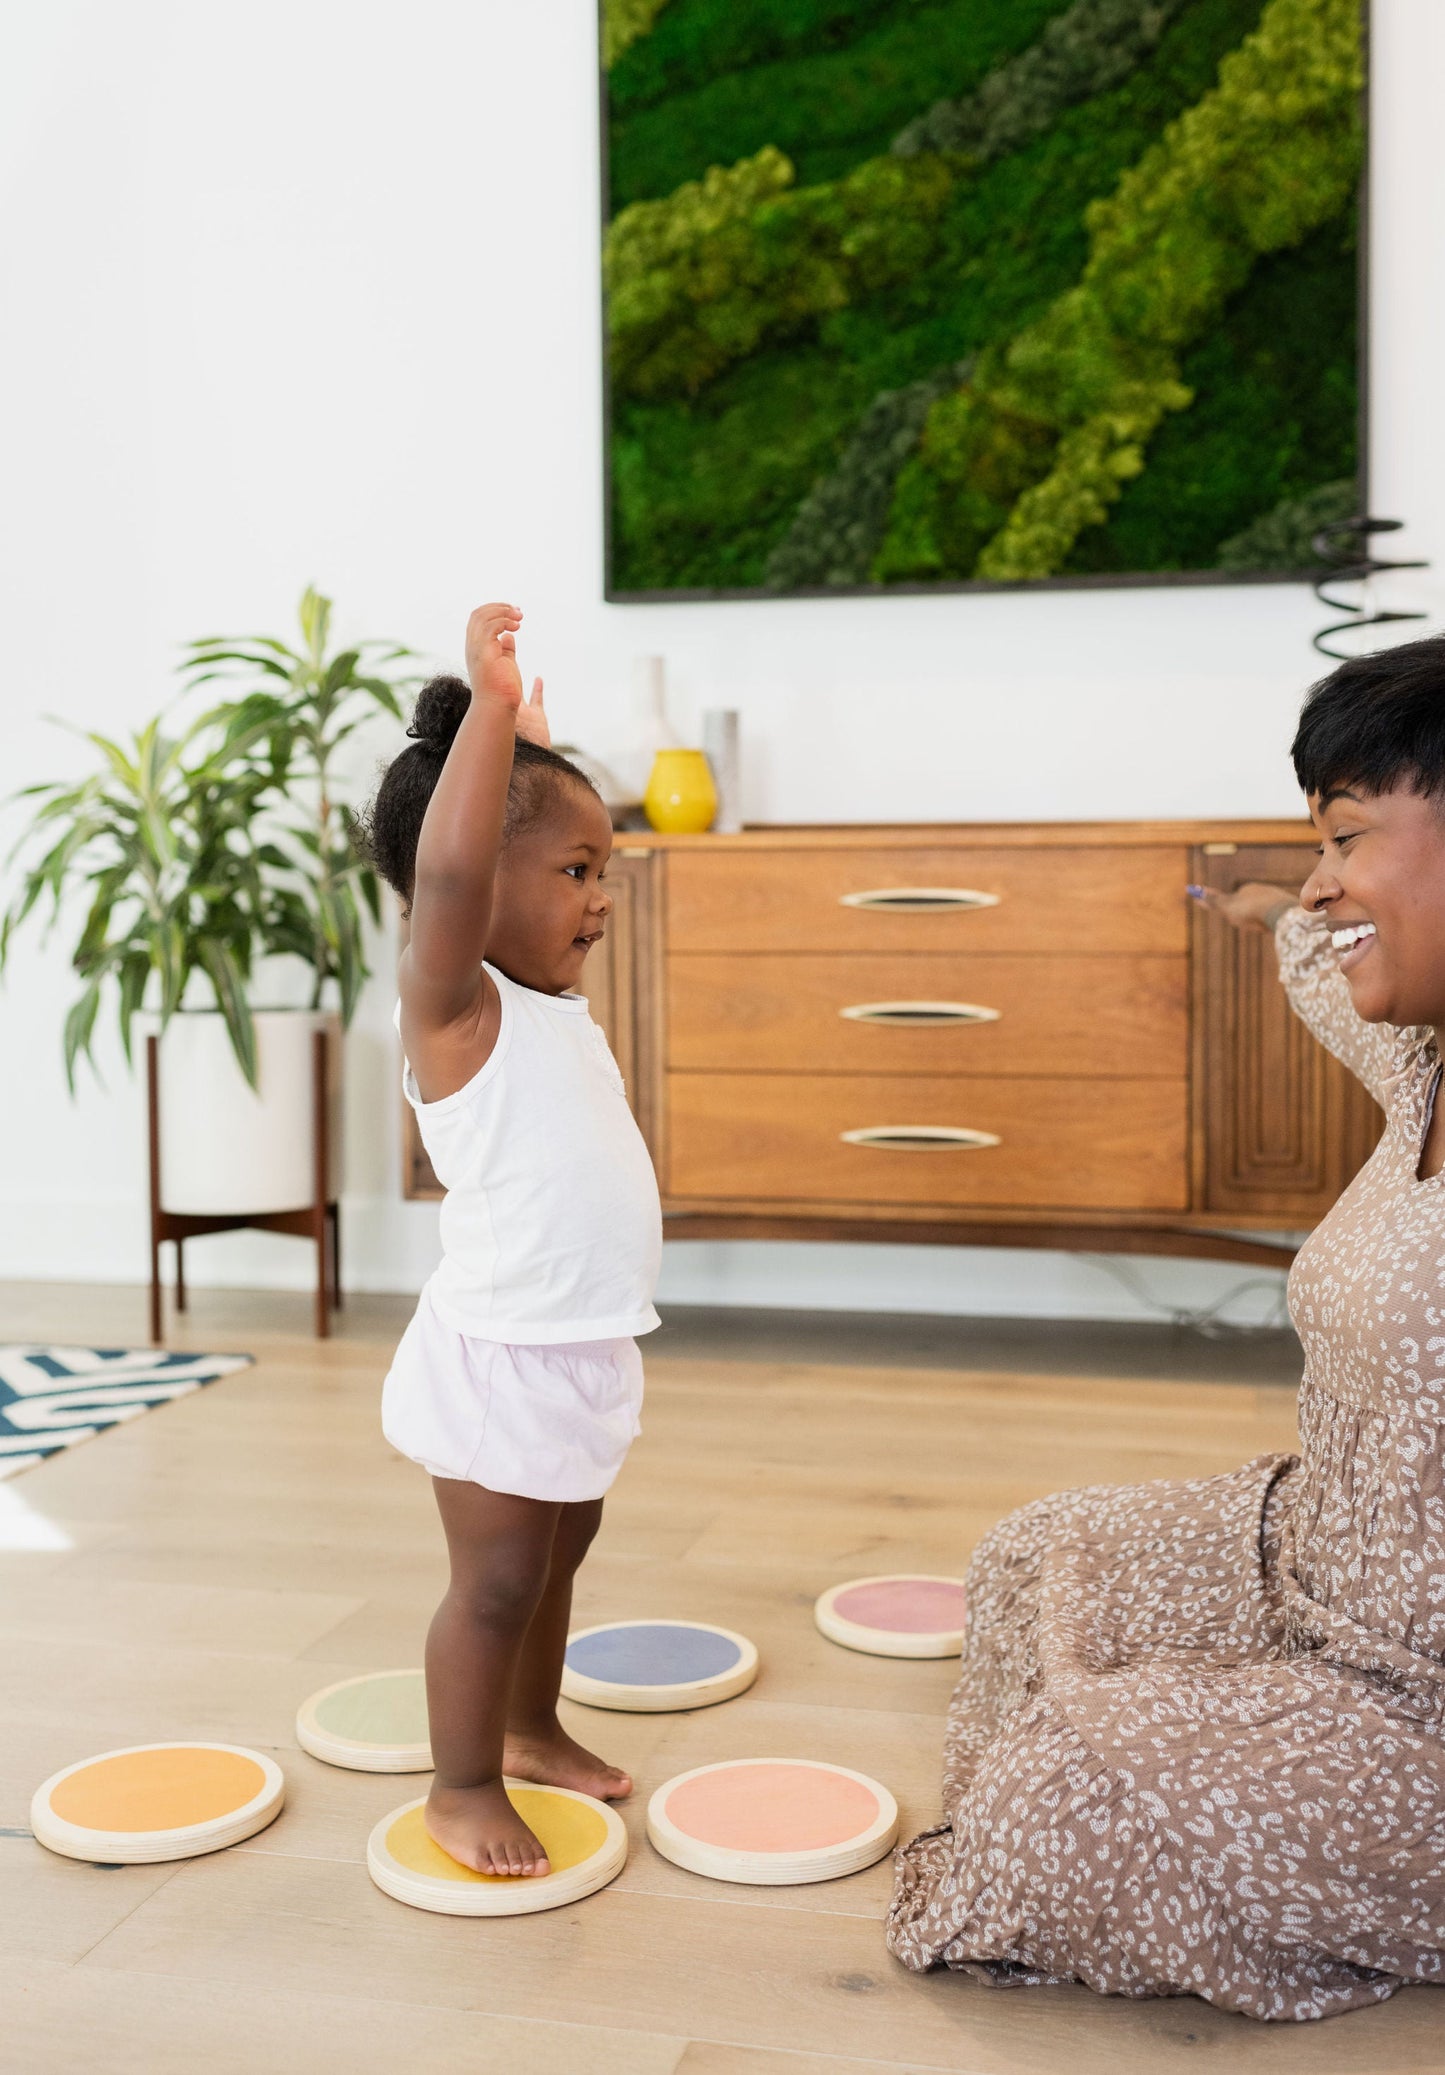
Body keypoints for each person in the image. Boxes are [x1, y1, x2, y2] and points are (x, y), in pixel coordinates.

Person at [887, 635, 1445, 2020]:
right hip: (1313, 1556)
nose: (1321, 879)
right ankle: (1214, 1724)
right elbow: (1316, 954)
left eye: (1347, 836)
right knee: (1033, 1553)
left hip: (1420, 1702)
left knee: (1057, 1788)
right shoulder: (1426, 1057)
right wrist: (1264, 892)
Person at [360, 603, 661, 1877]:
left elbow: (489, 854)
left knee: (560, 1549)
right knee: (490, 1584)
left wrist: (530, 746)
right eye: (574, 871)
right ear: (479, 883)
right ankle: (462, 1779)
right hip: (498, 1357)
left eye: (602, 870)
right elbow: (447, 875)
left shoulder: (543, 1003)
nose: (598, 899)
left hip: (583, 1341)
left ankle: (531, 1726)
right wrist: (489, 720)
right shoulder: (456, 1005)